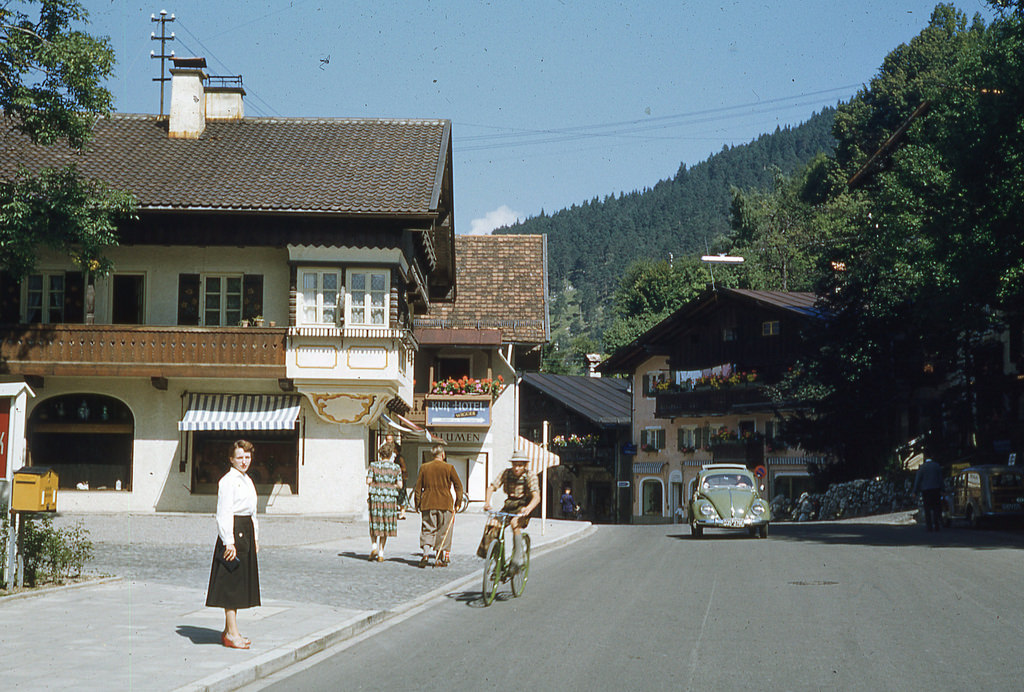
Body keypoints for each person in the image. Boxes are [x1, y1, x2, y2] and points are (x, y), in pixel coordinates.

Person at [206, 439, 260, 650]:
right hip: (233, 533)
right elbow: (224, 513)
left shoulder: (248, 480)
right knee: (231, 584)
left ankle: (230, 630)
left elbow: (253, 512)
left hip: (246, 530)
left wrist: (255, 537)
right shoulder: (228, 481)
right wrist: (229, 542)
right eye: (240, 457)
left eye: (247, 457)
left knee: (239, 583)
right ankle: (232, 633)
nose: (244, 461)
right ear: (231, 459)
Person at [479, 452, 540, 567]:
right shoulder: (506, 473)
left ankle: (517, 559)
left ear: (525, 465)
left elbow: (536, 497)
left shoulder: (530, 476)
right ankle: (497, 561)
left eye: (520, 465)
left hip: (523, 506)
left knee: (514, 523)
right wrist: (487, 503)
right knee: (493, 524)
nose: (516, 468)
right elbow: (491, 487)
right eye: (515, 465)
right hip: (509, 505)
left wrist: (528, 508)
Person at [413, 443, 463, 568]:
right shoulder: (449, 467)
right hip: (445, 503)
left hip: (428, 503)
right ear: (443, 454)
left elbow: (418, 488)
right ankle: (439, 558)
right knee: (443, 530)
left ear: (432, 454)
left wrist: (417, 503)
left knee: (427, 529)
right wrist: (458, 502)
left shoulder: (424, 467)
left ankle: (425, 554)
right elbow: (459, 486)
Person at [367, 441, 402, 562]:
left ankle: (374, 546)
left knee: (375, 521)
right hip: (389, 498)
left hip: (376, 497)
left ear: (380, 454)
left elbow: (368, 480)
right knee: (385, 524)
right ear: (391, 454)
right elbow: (400, 484)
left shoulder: (373, 465)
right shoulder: (396, 467)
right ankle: (381, 553)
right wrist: (390, 485)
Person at [913, 457, 944, 531]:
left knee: (927, 509)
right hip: (936, 489)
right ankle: (937, 524)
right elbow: (940, 479)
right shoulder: (937, 466)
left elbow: (917, 480)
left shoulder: (922, 468)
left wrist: (915, 492)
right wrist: (943, 489)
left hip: (926, 490)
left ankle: (929, 526)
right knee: (936, 507)